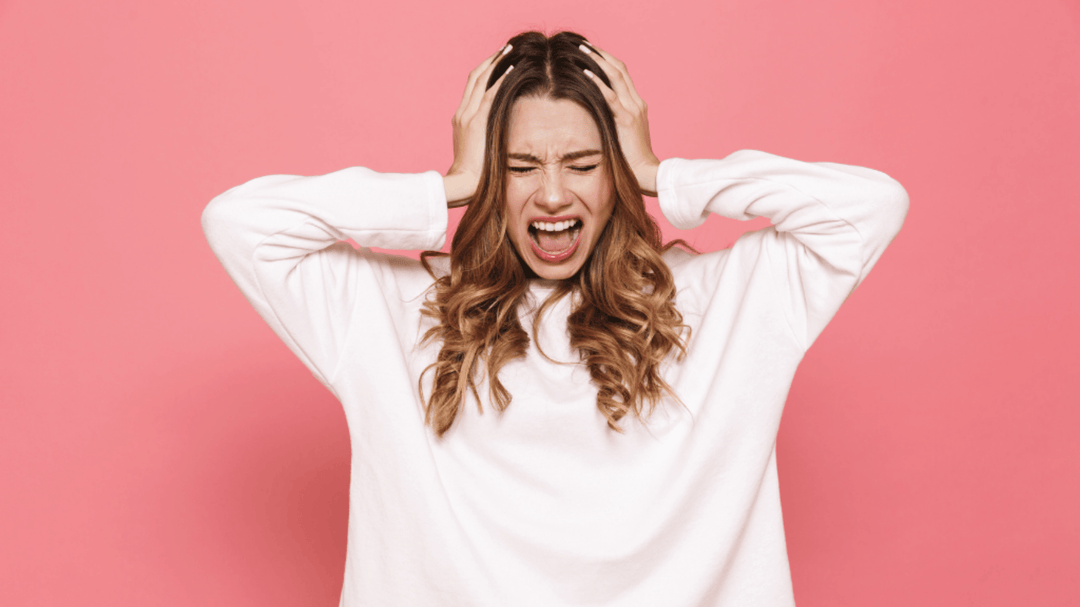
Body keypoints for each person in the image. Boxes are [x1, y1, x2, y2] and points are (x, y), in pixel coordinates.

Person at [202, 30, 908, 607]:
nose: (551, 194)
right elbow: (238, 223)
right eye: (517, 167)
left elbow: (870, 207)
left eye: (582, 163)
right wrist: (445, 187)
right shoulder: (397, 309)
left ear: (617, 175)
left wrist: (666, 172)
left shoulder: (722, 301)